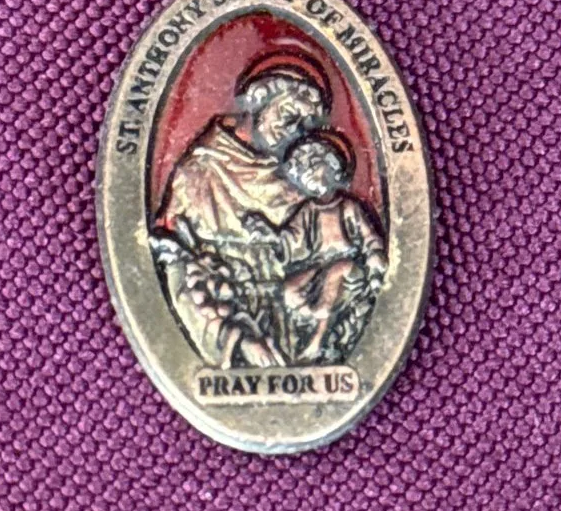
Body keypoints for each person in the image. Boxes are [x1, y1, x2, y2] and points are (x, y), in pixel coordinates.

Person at [152, 54, 331, 368]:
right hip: (225, 324)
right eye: (289, 113)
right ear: (260, 97)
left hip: (287, 328)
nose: (293, 130)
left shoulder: (295, 187)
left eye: (303, 124)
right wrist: (233, 337)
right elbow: (176, 267)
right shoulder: (199, 172)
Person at [246, 132, 386, 364]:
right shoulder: (308, 211)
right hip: (318, 269)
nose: (306, 175)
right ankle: (312, 322)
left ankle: (318, 341)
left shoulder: (348, 207)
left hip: (350, 270)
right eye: (302, 171)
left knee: (336, 271)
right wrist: (271, 235)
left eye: (312, 167)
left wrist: (375, 256)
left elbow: (369, 239)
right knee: (288, 289)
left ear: (332, 166)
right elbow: (292, 240)